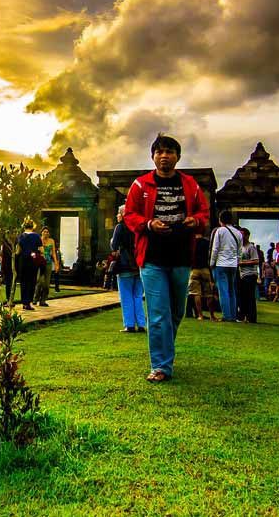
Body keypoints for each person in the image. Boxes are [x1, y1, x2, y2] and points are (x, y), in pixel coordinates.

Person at [123, 133, 210, 383]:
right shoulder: (141, 185)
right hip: (152, 257)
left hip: (181, 255)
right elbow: (130, 215)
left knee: (176, 312)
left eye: (169, 152)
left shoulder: (190, 185)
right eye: (159, 152)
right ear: (153, 156)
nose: (164, 156)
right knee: (159, 312)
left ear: (177, 157)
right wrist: (149, 223)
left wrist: (196, 220)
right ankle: (161, 365)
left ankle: (164, 352)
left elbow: (204, 211)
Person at [111, 205, 145, 332]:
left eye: (118, 213)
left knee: (126, 296)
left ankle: (129, 324)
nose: (117, 216)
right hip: (139, 264)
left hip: (125, 265)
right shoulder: (138, 226)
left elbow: (114, 246)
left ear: (123, 214)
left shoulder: (120, 227)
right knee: (137, 296)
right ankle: (141, 324)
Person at [209, 211, 243, 322]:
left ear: (221, 220)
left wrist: (212, 263)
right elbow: (239, 251)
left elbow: (215, 249)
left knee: (223, 290)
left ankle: (226, 315)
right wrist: (237, 261)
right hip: (233, 264)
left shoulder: (220, 231)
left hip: (221, 263)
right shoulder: (238, 233)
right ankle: (233, 315)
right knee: (232, 290)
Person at [188, 234, 217, 321]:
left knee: (196, 294)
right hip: (205, 269)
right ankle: (212, 315)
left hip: (194, 269)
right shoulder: (207, 242)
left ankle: (200, 315)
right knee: (209, 294)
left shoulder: (191, 242)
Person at [16, 220, 42, 310]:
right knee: (32, 281)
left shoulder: (21, 236)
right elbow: (41, 250)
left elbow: (18, 250)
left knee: (23, 281)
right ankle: (29, 302)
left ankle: (24, 301)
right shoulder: (36, 236)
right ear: (33, 226)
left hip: (23, 260)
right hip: (33, 260)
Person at [237, 227, 261, 323]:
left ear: (247, 236)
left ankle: (251, 317)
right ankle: (243, 315)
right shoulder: (240, 247)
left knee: (249, 296)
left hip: (250, 274)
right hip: (242, 274)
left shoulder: (250, 247)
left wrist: (242, 263)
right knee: (243, 296)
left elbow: (256, 260)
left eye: (242, 234)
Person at [35, 227, 59, 307]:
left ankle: (43, 300)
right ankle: (35, 298)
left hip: (48, 263)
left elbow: (53, 253)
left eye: (47, 232)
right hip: (40, 263)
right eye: (44, 232)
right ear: (41, 232)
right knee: (39, 281)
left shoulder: (51, 241)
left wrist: (56, 263)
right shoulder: (38, 240)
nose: (46, 233)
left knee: (47, 283)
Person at [0, 237, 14, 307]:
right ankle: (9, 300)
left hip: (9, 266)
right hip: (9, 266)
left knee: (9, 284)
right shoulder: (7, 245)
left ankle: (9, 300)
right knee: (10, 284)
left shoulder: (7, 246)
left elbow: (3, 257)